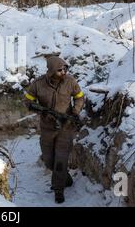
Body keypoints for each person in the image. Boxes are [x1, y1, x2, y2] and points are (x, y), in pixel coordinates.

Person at [24, 55, 85, 204]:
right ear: (51, 71)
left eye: (65, 69)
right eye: (59, 70)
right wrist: (43, 112)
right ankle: (66, 178)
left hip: (66, 127)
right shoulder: (38, 84)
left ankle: (58, 190)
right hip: (47, 128)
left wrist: (75, 112)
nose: (63, 72)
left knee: (61, 159)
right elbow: (28, 101)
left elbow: (79, 97)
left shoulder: (70, 81)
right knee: (49, 160)